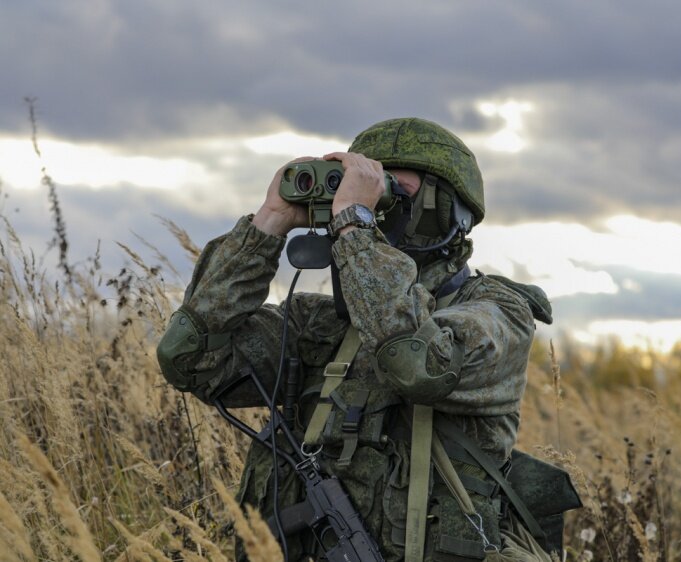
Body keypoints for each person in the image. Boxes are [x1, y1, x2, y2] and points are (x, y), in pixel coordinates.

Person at [157, 118, 556, 561]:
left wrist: (354, 226)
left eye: (390, 191)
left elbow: (418, 363)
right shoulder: (318, 324)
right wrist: (269, 223)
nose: (370, 203)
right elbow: (190, 358)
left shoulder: (499, 313)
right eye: (358, 188)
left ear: (448, 211)